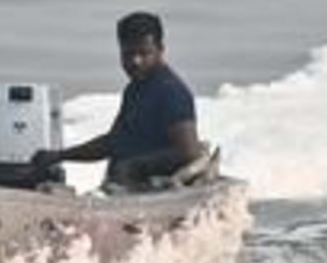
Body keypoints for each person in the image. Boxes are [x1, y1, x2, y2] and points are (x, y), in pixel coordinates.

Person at [31, 11, 205, 190]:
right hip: (122, 189)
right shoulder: (136, 88)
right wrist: (60, 156)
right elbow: (113, 143)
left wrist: (134, 166)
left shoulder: (171, 91)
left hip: (152, 195)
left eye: (144, 53)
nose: (135, 61)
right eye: (128, 54)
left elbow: (189, 151)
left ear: (161, 50)